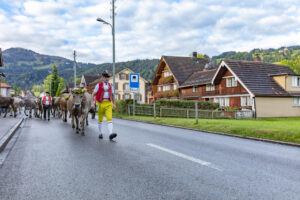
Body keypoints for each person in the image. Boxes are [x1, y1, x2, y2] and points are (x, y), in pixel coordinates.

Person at [91, 71, 117, 140]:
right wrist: (92, 103)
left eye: (108, 77)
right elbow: (93, 94)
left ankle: (110, 134)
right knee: (100, 119)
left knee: (109, 118)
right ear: (102, 78)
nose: (107, 78)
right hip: (100, 103)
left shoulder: (111, 86)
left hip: (108, 103)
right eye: (105, 77)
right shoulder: (98, 85)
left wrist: (114, 104)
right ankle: (100, 133)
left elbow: (113, 96)